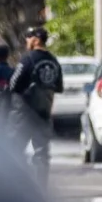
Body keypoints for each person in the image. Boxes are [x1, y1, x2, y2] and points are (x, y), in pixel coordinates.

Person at [8, 27, 63, 184]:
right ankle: (41, 189)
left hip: (23, 115)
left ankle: (19, 188)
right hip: (44, 113)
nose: (26, 40)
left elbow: (13, 84)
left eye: (29, 37)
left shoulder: (28, 60)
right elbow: (58, 87)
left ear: (36, 40)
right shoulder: (53, 61)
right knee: (42, 154)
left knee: (16, 151)